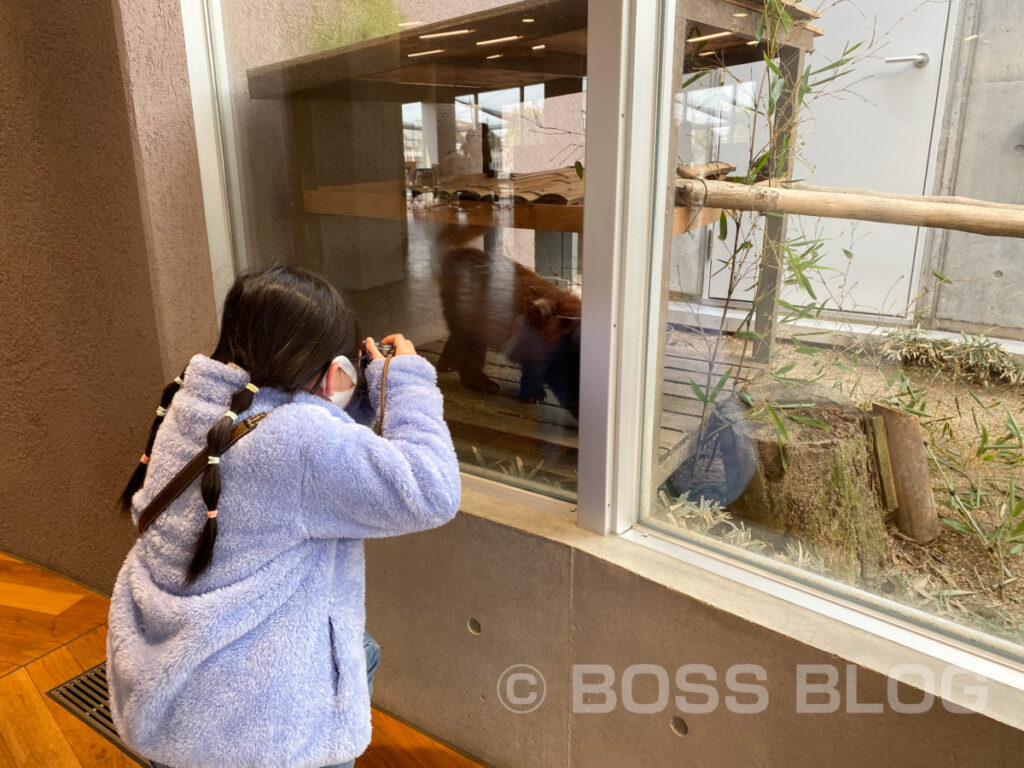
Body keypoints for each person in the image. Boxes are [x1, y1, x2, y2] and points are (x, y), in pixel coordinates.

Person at [106, 265, 461, 768]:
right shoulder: (297, 442)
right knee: (362, 655)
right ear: (330, 368)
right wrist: (403, 381)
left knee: (365, 650)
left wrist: (342, 392)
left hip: (173, 695)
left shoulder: (194, 400)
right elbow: (430, 490)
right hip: (260, 729)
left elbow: (297, 448)